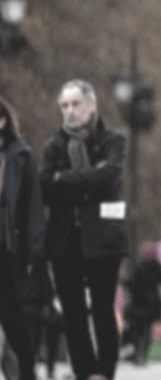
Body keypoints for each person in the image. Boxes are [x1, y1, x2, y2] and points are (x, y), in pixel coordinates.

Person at [39, 79, 129, 380]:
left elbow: (110, 176)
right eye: (64, 105)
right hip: (64, 240)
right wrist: (89, 176)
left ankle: (105, 373)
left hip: (104, 238)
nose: (70, 111)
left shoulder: (113, 140)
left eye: (76, 104)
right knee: (73, 315)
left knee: (103, 310)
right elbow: (45, 188)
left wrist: (63, 178)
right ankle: (85, 373)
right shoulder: (53, 146)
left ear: (91, 105)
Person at [0, 96, 44, 380]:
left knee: (12, 319)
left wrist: (32, 254)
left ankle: (27, 373)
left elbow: (32, 209)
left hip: (7, 249)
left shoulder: (20, 156)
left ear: (2, 121)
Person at [122, 242, 161, 366]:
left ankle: (138, 354)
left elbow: (131, 284)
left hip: (138, 303)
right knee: (147, 330)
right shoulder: (157, 266)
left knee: (137, 331)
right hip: (151, 304)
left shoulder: (138, 267)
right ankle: (143, 354)